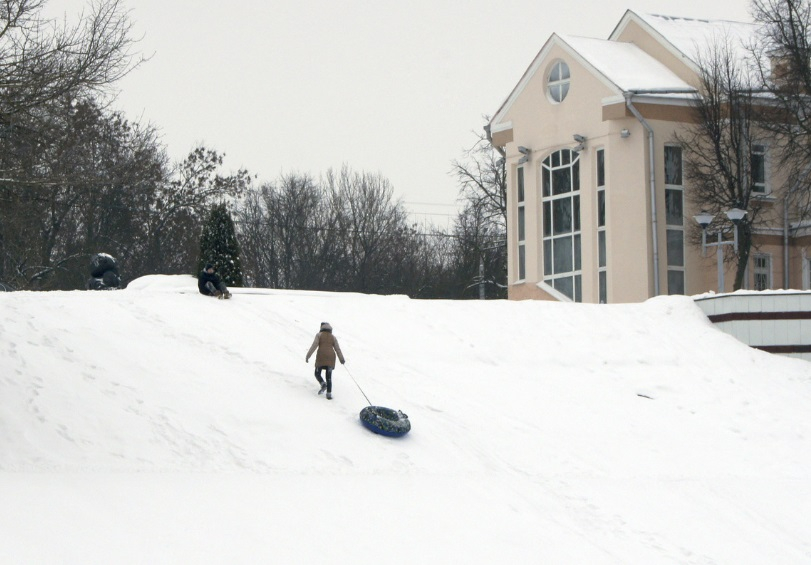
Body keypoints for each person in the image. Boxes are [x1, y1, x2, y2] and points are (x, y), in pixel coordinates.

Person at [305, 322, 345, 400]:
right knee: (329, 376)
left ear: (321, 327)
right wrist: (341, 359)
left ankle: (323, 384)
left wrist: (308, 356)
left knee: (317, 373)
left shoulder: (319, 335)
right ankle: (329, 394)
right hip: (331, 357)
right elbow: (337, 349)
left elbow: (314, 346)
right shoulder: (333, 337)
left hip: (321, 356)